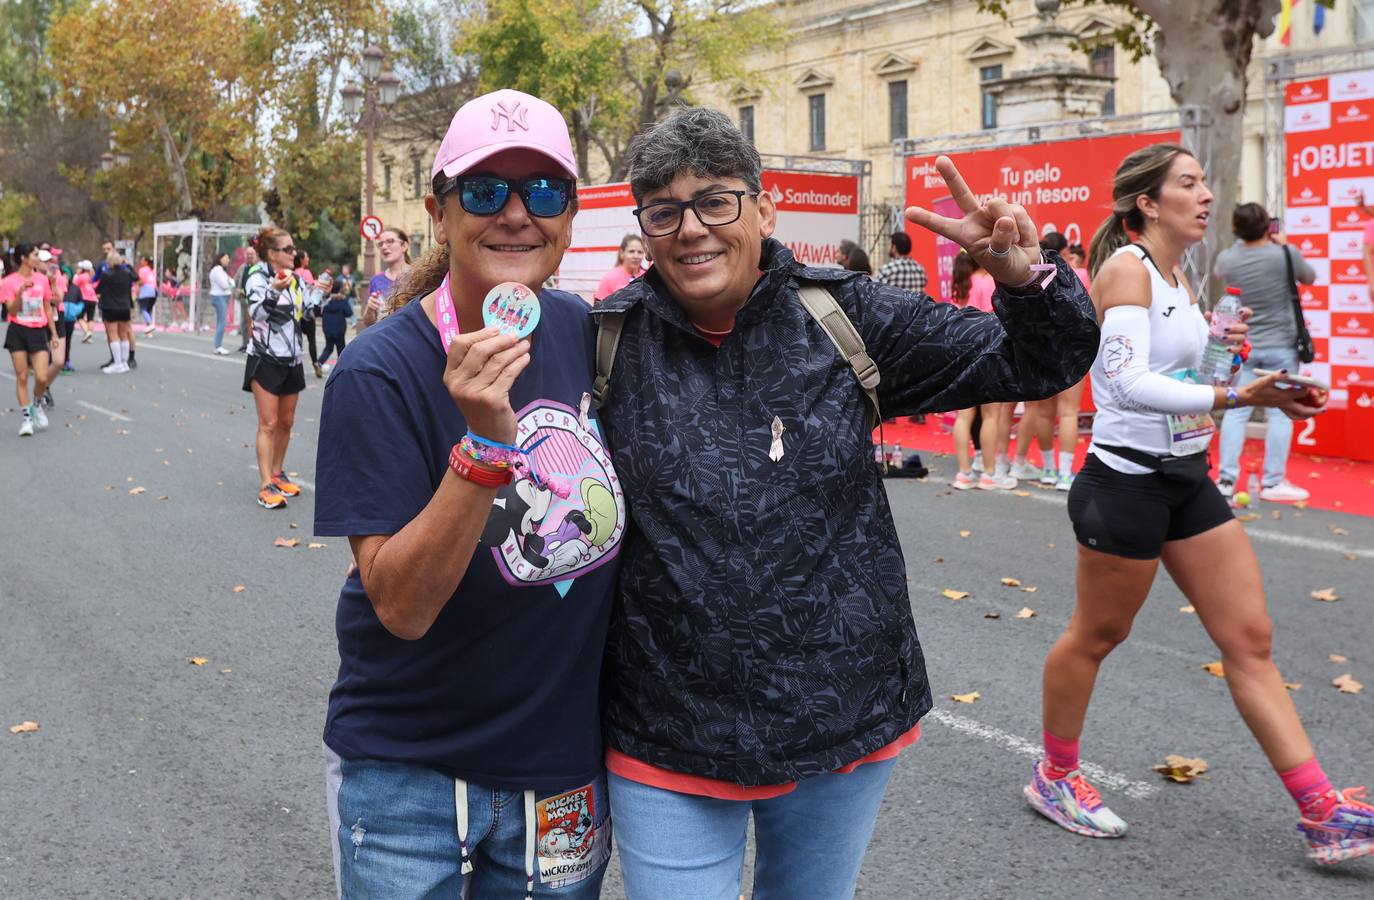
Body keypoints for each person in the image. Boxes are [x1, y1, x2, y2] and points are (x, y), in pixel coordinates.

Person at [591, 107, 1098, 899]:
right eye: (664, 211)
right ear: (645, 228)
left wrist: (1027, 280)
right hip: (666, 725)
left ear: (763, 209)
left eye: (716, 201)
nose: (691, 229)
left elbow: (1042, 359)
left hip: (839, 711)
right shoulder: (604, 342)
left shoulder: (843, 315)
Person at [1027, 143, 1373, 866]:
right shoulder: (1126, 267)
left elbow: (1187, 391)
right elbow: (1121, 387)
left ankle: (1321, 810)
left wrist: (1235, 363)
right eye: (1188, 183)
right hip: (1124, 484)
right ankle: (1054, 774)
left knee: (1249, 639)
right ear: (1147, 204)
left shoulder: (1181, 277)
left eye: (1205, 182)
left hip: (1186, 478)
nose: (1207, 194)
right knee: (1097, 636)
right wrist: (1234, 392)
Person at [314, 88, 620, 899]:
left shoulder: (593, 338)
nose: (517, 213)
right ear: (439, 212)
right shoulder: (378, 369)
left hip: (562, 777)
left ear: (569, 216)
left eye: (544, 191)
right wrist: (483, 448)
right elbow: (402, 607)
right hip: (409, 775)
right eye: (486, 191)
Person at [1214, 203, 1317, 502]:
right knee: (1280, 413)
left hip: (1244, 346)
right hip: (1283, 345)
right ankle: (1273, 482)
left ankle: (1226, 480)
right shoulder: (1284, 254)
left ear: (1236, 229)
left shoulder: (1228, 258)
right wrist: (1283, 244)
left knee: (1236, 412)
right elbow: (1309, 277)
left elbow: (1223, 270)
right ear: (1267, 227)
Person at [1011, 231, 1089, 489]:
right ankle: (1065, 473)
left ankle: (1049, 469)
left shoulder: (1036, 274)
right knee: (1068, 413)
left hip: (1043, 348)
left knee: (1044, 414)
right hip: (1073, 348)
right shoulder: (1082, 275)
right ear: (1065, 252)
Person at [243, 227, 307, 510]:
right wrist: (272, 291)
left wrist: (324, 295)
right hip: (265, 357)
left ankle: (278, 473)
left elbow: (306, 312)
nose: (295, 254)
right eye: (288, 249)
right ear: (272, 254)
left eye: (293, 248)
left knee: (286, 422)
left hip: (292, 357)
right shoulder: (257, 276)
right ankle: (265, 483)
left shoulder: (295, 279)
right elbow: (256, 313)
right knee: (268, 424)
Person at [946, 252, 1013, 491]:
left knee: (964, 417)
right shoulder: (987, 282)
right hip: (988, 354)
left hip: (961, 355)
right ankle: (990, 473)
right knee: (991, 416)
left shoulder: (960, 287)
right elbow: (995, 320)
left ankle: (964, 473)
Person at [3, 244, 57, 436]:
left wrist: (54, 334)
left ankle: (37, 404)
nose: (38, 258)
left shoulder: (42, 280)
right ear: (24, 258)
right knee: (22, 376)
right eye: (35, 255)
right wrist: (19, 293)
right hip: (17, 330)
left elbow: (48, 308)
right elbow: (11, 311)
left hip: (38, 331)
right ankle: (26, 418)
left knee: (42, 377)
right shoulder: (8, 282)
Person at [357, 227, 412, 332]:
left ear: (404, 246)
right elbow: (369, 323)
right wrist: (370, 309)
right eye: (380, 244)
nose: (384, 247)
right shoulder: (376, 280)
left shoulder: (418, 275)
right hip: (385, 340)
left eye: (390, 241)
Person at [96, 251, 135, 374]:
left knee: (113, 335)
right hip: (125, 306)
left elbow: (99, 288)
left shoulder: (106, 274)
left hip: (110, 306)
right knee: (124, 334)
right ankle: (124, 362)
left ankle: (117, 363)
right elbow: (135, 279)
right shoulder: (127, 273)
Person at [594, 234, 646, 301]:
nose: (636, 256)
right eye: (631, 251)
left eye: (640, 252)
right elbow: (598, 306)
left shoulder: (648, 277)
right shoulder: (609, 278)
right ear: (622, 253)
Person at [295, 250, 322, 377]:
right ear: (301, 259)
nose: (308, 259)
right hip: (307, 312)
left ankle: (297, 365)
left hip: (296, 312)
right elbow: (311, 290)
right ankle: (315, 363)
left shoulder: (293, 273)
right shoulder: (306, 272)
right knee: (312, 341)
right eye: (306, 257)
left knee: (297, 340)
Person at [875, 230, 928, 295]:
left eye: (889, 244)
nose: (887, 247)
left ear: (894, 247)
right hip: (917, 305)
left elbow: (875, 292)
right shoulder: (920, 269)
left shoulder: (888, 269)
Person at [317, 275, 352, 371]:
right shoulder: (342, 300)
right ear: (339, 289)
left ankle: (319, 363)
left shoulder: (325, 300)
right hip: (339, 328)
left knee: (328, 348)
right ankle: (343, 369)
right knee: (341, 349)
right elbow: (349, 313)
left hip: (327, 328)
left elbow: (319, 312)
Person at [208, 251, 235, 355]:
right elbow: (225, 284)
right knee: (222, 322)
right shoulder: (217, 270)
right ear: (220, 259)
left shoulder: (222, 271)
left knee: (222, 321)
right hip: (219, 297)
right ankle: (218, 346)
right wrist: (229, 282)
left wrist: (229, 282)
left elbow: (232, 281)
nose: (228, 260)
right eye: (226, 258)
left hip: (223, 297)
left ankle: (218, 345)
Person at [235, 246, 258, 352]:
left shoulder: (258, 268)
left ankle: (254, 344)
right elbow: (236, 280)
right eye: (247, 254)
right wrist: (238, 290)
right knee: (244, 322)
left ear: (255, 255)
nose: (249, 256)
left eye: (251, 254)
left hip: (254, 299)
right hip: (243, 299)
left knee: (253, 323)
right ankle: (245, 343)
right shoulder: (242, 267)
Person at [74, 259, 97, 344]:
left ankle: (87, 332)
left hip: (84, 298)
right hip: (93, 298)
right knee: (90, 318)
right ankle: (89, 335)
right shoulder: (92, 276)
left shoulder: (80, 277)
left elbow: (74, 286)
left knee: (79, 317)